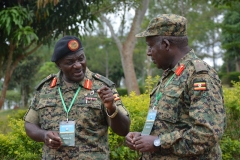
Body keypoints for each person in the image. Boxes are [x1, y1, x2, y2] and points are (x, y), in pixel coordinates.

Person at [125, 14, 226, 159]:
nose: (148, 52)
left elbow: (208, 133)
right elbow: (169, 125)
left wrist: (157, 142)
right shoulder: (171, 74)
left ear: (166, 45)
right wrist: (144, 137)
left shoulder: (199, 75)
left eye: (150, 46)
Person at [24, 35, 130, 160]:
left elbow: (123, 130)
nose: (78, 65)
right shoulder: (45, 88)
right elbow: (30, 124)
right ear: (59, 65)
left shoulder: (103, 87)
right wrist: (44, 135)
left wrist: (112, 108)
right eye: (70, 62)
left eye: (81, 59)